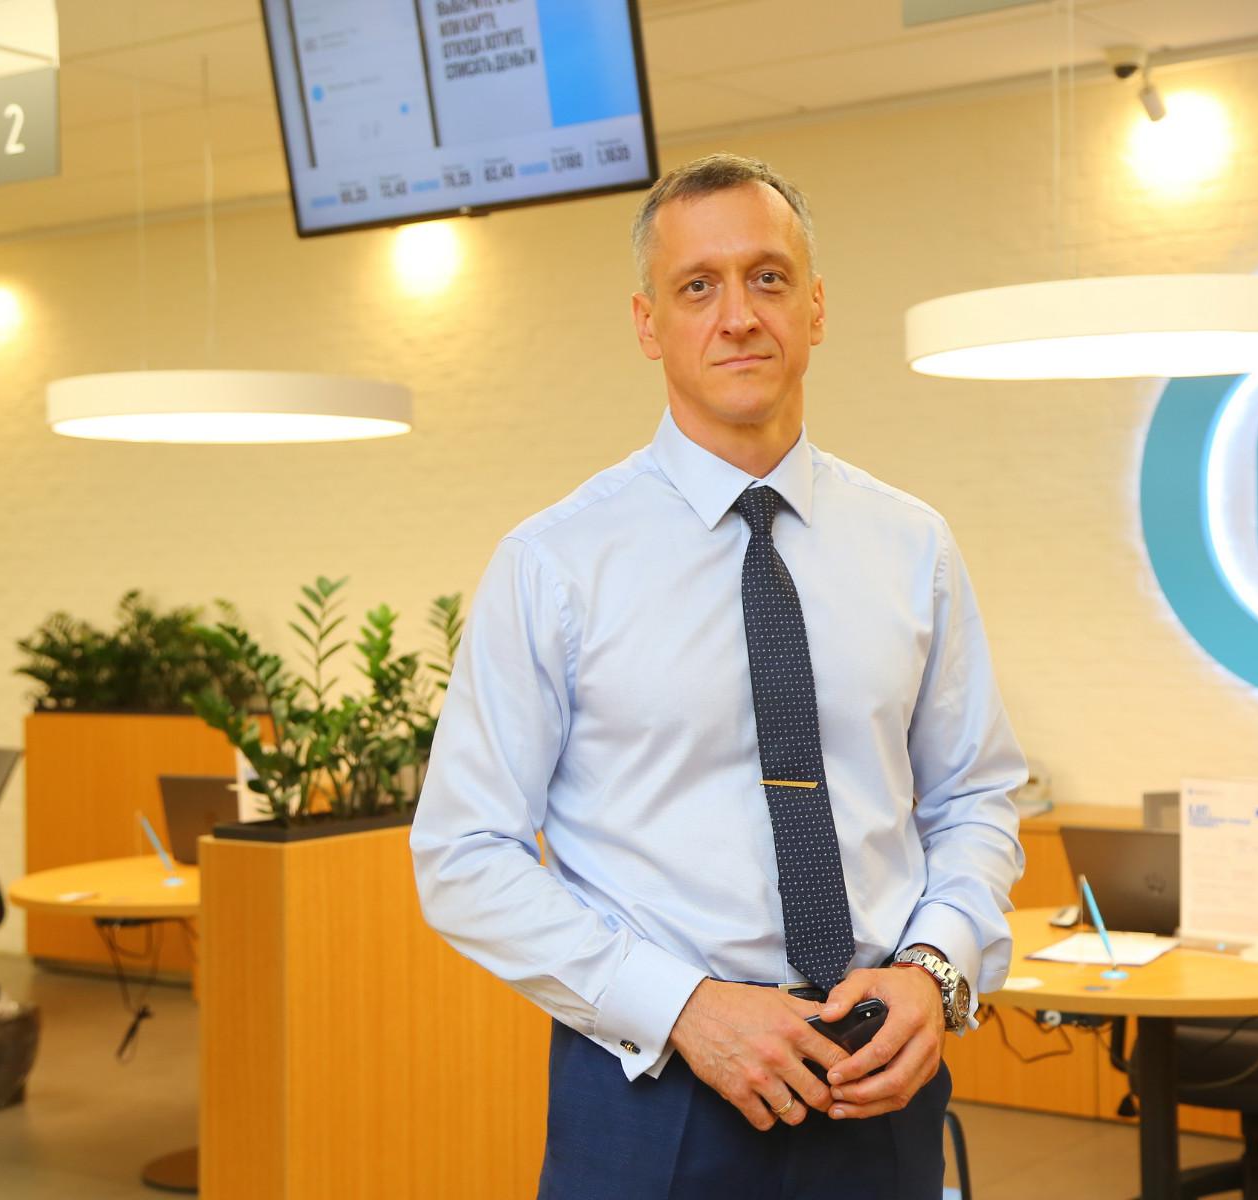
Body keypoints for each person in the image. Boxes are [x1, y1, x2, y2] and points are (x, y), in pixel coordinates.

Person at [411, 153, 1026, 1199]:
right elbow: (463, 854)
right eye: (698, 286)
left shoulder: (912, 545)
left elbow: (975, 796)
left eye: (768, 278)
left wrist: (936, 967)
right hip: (655, 1089)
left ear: (816, 306)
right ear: (648, 324)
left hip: (875, 1072)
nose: (738, 316)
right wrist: (684, 1007)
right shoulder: (555, 564)